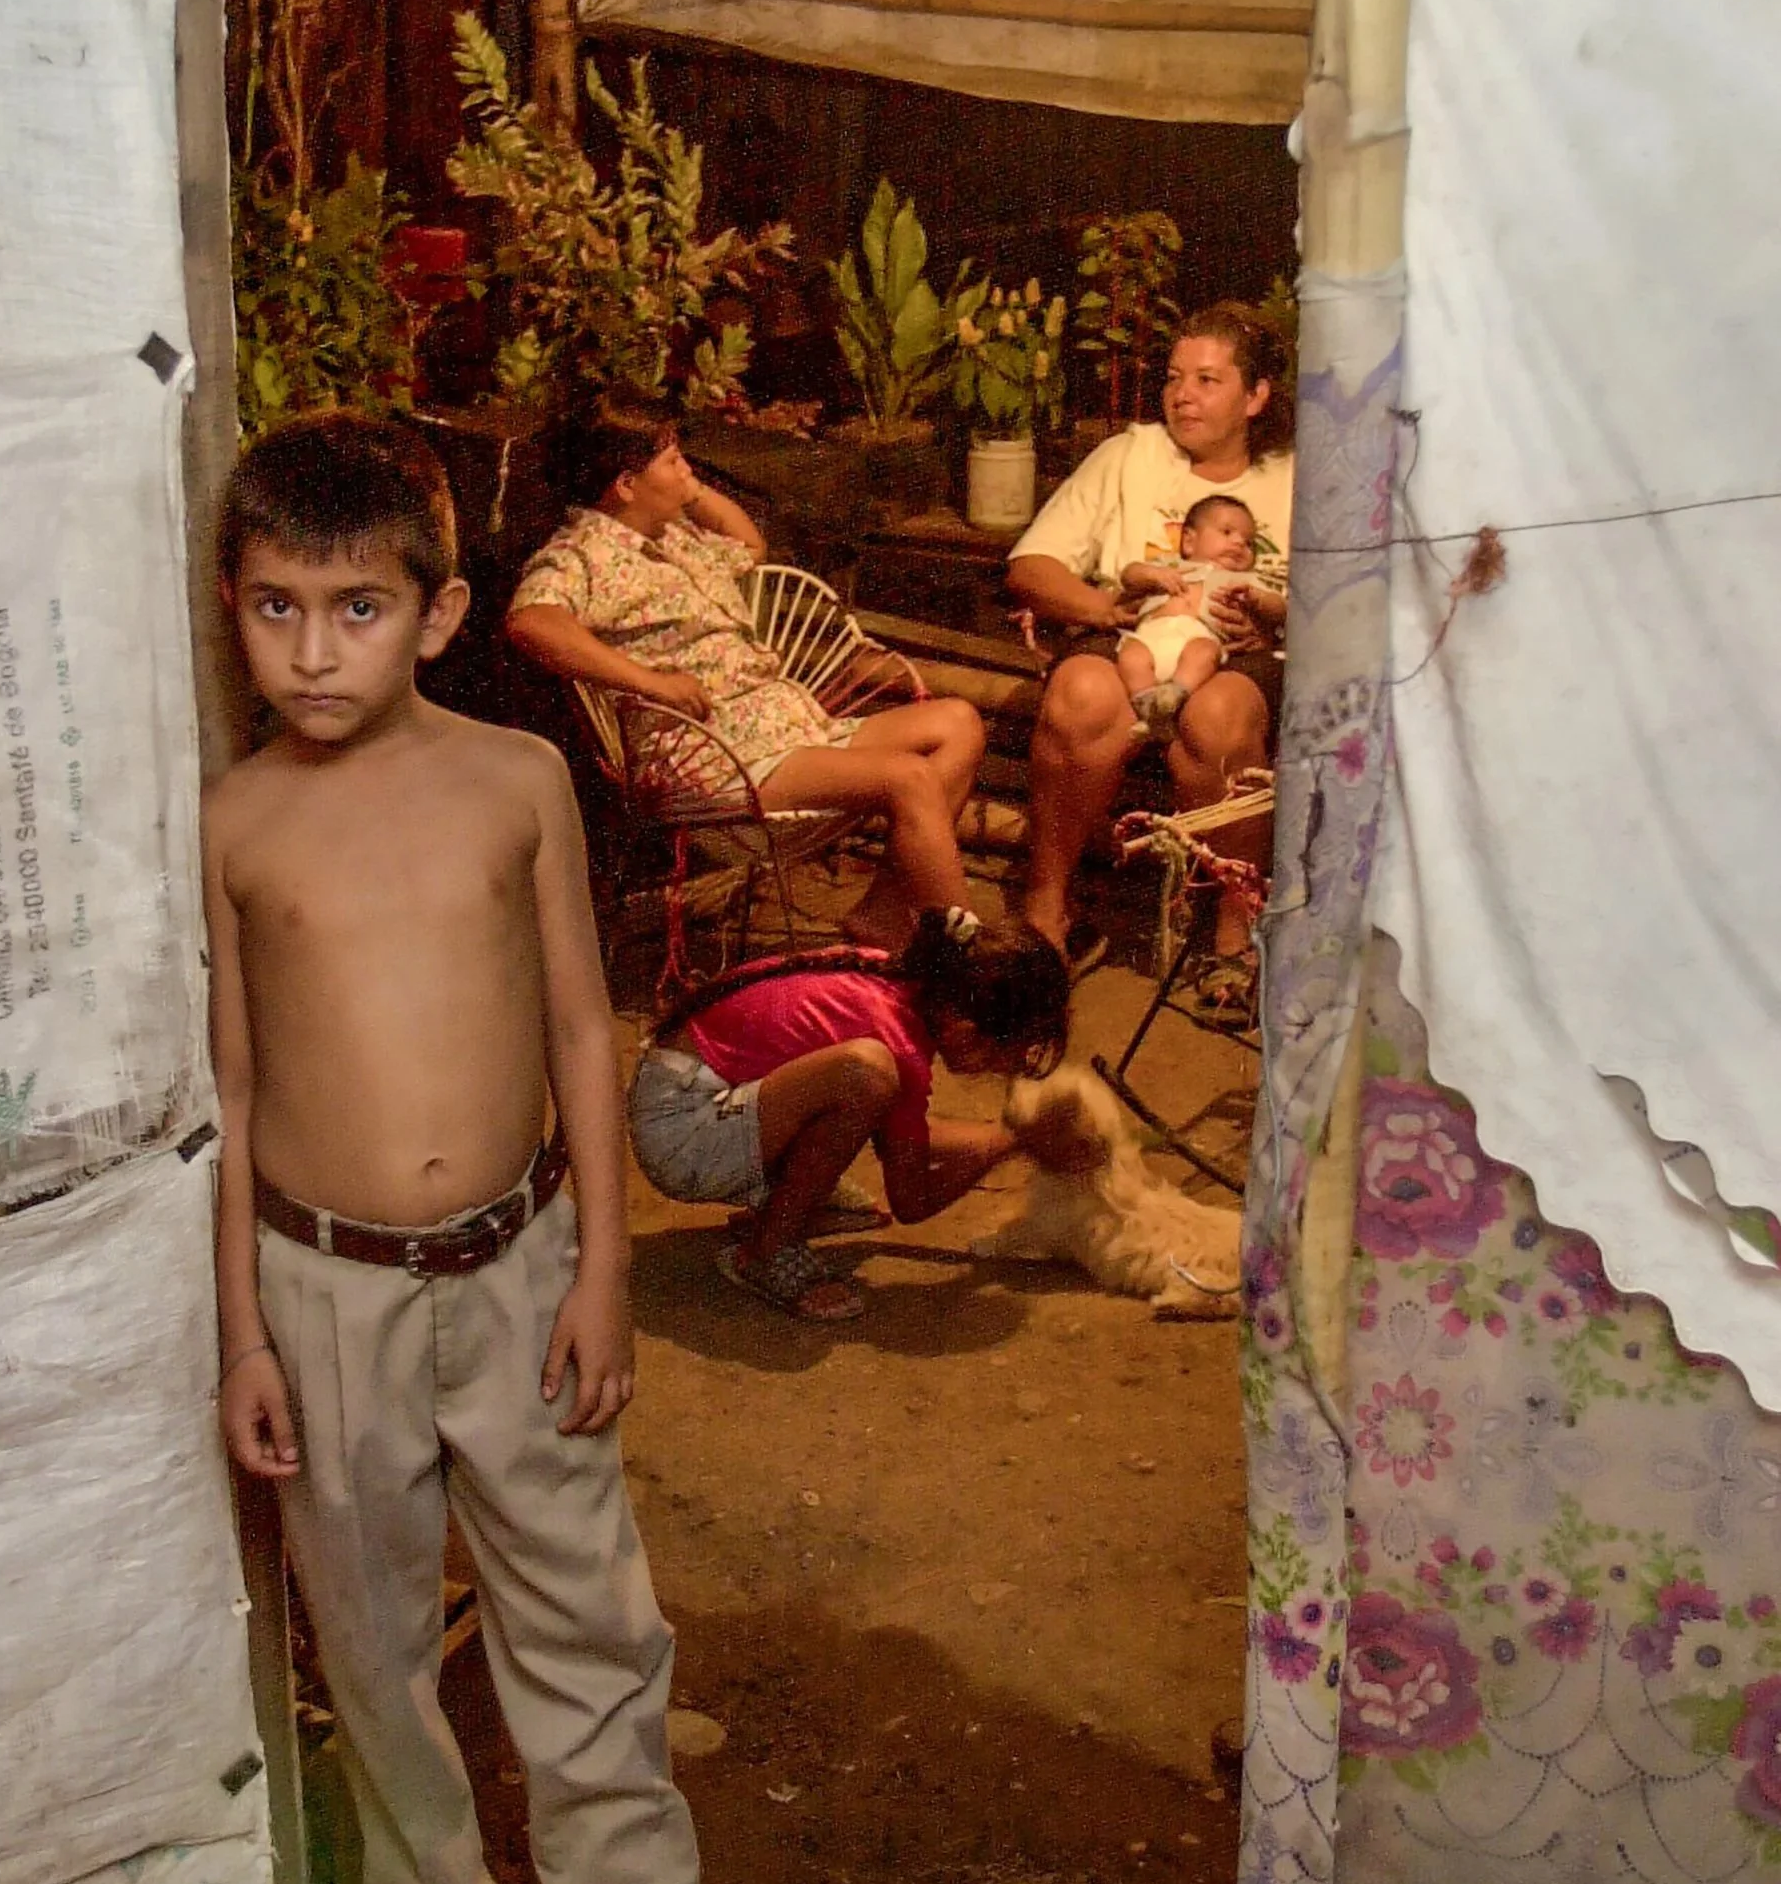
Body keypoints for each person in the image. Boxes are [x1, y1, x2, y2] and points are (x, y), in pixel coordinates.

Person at [203, 411, 777, 1884]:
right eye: (275, 606)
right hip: (323, 1286)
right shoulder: (235, 825)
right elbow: (231, 1089)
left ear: (439, 614)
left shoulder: (515, 780)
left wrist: (605, 1261)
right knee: (370, 1620)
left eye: (358, 606)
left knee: (587, 1605)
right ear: (231, 606)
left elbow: (588, 1037)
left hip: (521, 1259)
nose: (314, 649)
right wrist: (244, 1329)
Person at [505, 415, 985, 952]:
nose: (688, 471)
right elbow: (532, 622)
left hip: (785, 726)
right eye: (673, 462)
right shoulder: (582, 554)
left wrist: (691, 489)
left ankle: (883, 913)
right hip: (719, 754)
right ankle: (964, 963)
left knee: (959, 722)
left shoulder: (674, 536)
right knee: (910, 779)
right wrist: (650, 682)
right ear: (625, 484)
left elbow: (750, 545)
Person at [1008, 304, 1294, 1024]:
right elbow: (1032, 564)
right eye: (1174, 378)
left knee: (1219, 714)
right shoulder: (1129, 458)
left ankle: (1234, 932)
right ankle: (1049, 915)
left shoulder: (1298, 481)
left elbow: (1361, 598)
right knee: (1079, 691)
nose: (1182, 395)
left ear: (1256, 396)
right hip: (1132, 640)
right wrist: (1105, 611)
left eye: (1207, 379)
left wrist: (1273, 615)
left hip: (1243, 656)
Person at [628, 907, 1071, 1322]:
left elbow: (906, 1142)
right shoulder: (896, 1048)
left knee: (866, 1083)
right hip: (682, 1136)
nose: (1003, 1069)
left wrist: (1008, 1134)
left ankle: (782, 1200)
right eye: (1006, 1054)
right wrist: (1009, 1144)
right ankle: (769, 1248)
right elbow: (911, 1200)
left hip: (690, 1094)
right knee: (865, 1075)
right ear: (966, 1028)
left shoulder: (897, 980)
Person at [1113, 492, 1286, 742]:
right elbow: (1129, 575)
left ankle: (1176, 693)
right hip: (1150, 635)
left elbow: (1279, 607)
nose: (1239, 543)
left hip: (1199, 636)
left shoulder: (1243, 581)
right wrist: (1152, 575)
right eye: (1227, 532)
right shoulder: (1168, 566)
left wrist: (1258, 598)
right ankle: (1147, 706)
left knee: (1204, 652)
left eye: (1249, 543)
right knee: (1131, 655)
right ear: (1189, 542)